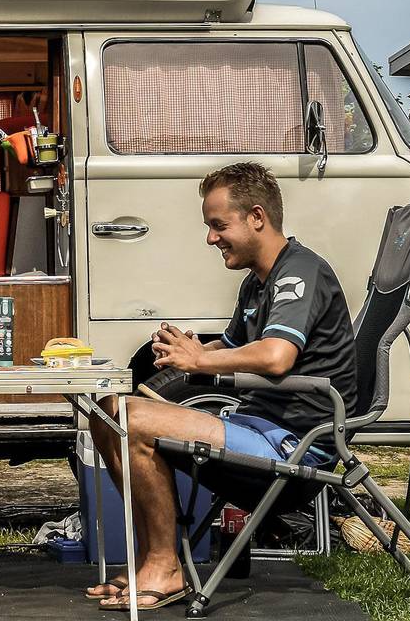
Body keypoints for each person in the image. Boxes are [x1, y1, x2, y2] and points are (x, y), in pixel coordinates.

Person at [86, 162, 357, 611]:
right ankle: (156, 558)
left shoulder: (299, 273)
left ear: (256, 217)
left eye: (218, 225)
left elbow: (276, 356)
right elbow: (230, 347)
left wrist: (202, 359)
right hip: (255, 427)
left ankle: (164, 567)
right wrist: (189, 348)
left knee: (130, 418)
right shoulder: (257, 284)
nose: (211, 238)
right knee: (106, 413)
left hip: (295, 447)